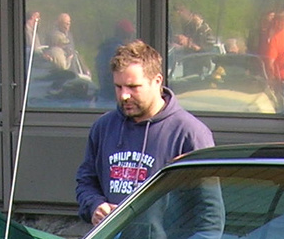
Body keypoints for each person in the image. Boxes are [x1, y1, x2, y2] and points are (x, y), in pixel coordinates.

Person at [75, 40, 213, 228]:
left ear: (157, 81)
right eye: (118, 87)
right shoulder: (103, 128)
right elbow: (86, 182)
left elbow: (208, 211)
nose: (124, 95)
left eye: (133, 87)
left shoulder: (189, 133)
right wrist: (94, 206)